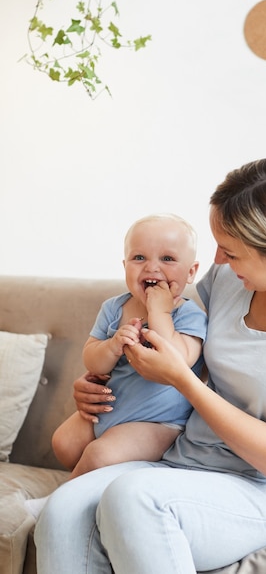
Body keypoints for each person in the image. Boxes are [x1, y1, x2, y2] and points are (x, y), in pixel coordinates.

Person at [35, 157, 266, 574]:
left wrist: (182, 380)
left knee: (134, 498)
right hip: (180, 464)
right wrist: (101, 376)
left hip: (262, 491)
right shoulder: (230, 281)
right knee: (61, 511)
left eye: (230, 250)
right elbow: (171, 335)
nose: (217, 258)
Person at [26, 213, 207, 518]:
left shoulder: (189, 315)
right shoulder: (114, 308)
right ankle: (94, 487)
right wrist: (111, 346)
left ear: (191, 272)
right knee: (65, 443)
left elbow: (178, 360)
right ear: (125, 266)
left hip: (160, 424)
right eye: (139, 257)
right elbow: (91, 358)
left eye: (167, 258)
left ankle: (57, 505)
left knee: (99, 455)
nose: (152, 267)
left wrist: (159, 312)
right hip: (110, 409)